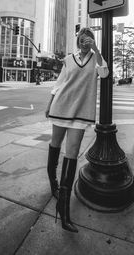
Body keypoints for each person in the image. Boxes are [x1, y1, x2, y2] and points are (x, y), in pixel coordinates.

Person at [45, 27, 109, 233]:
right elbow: (59, 84)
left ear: (92, 41)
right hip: (61, 107)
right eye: (82, 38)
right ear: (78, 41)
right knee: (55, 145)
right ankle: (53, 182)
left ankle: (63, 209)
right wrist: (49, 104)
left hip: (81, 113)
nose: (84, 41)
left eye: (88, 39)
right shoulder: (69, 59)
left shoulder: (95, 58)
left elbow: (105, 73)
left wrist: (97, 49)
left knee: (71, 155)